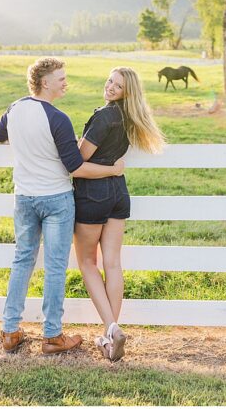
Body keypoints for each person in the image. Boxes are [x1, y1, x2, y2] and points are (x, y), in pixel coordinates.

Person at [0, 57, 125, 355]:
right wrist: (113, 170)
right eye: (60, 78)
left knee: (22, 260)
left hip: (24, 197)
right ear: (44, 82)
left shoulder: (15, 108)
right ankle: (52, 336)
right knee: (54, 266)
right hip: (56, 199)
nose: (65, 82)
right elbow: (74, 165)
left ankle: (10, 332)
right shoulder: (58, 118)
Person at [74, 66, 165, 362]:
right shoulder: (129, 118)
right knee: (112, 264)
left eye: (118, 85)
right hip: (118, 195)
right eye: (110, 80)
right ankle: (110, 337)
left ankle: (111, 328)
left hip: (93, 193)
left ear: (127, 92)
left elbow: (80, 157)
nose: (110, 86)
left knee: (88, 263)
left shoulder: (104, 116)